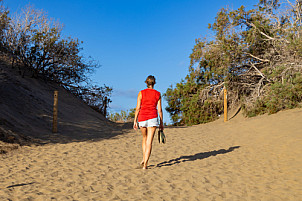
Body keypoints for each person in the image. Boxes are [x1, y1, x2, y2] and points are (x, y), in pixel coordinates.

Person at [133, 75, 164, 169]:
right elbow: (160, 110)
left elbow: (138, 108)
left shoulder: (141, 93)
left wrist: (135, 121)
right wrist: (161, 123)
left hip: (142, 117)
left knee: (144, 138)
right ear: (154, 83)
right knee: (149, 142)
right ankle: (145, 163)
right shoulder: (158, 94)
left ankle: (144, 159)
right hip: (153, 118)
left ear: (146, 83)